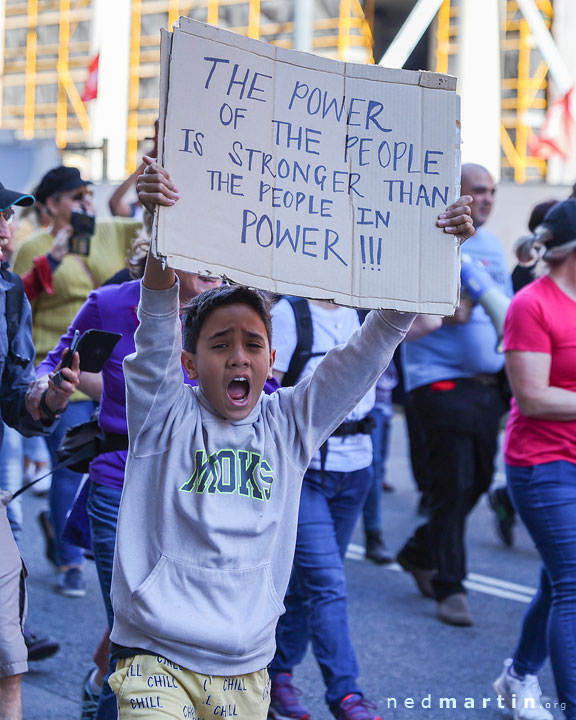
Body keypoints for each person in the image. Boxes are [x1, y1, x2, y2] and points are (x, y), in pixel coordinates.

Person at [105, 158, 473, 720]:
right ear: (188, 359)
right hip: (154, 656)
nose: (238, 356)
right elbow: (156, 316)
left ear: (272, 359)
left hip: (243, 666)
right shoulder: (163, 412)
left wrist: (432, 253)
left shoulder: (290, 423)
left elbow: (369, 348)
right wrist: (161, 231)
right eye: (220, 343)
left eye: (252, 344)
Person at [267, 305, 441, 720]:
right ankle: (346, 696)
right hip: (305, 470)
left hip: (356, 471)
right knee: (327, 583)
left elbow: (431, 321)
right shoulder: (291, 314)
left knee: (305, 586)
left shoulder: (368, 311)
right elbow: (267, 388)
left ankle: (277, 678)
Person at [12, 165, 141, 597]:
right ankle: (71, 562)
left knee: (119, 459)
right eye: (75, 195)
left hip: (111, 368)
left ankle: (74, 526)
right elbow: (16, 301)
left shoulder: (110, 232)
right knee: (72, 460)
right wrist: (55, 258)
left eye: (88, 193)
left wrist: (150, 166)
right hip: (61, 366)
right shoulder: (32, 246)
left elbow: (152, 233)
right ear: (52, 205)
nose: (85, 201)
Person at [397, 163, 512, 627]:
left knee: (481, 480)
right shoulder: (431, 241)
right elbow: (401, 315)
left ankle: (419, 550)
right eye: (477, 191)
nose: (485, 199)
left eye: (491, 192)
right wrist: (448, 312)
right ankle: (452, 586)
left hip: (486, 387)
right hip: (439, 381)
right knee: (453, 483)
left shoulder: (492, 245)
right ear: (456, 195)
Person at [492, 199, 576, 720]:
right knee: (572, 584)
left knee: (558, 579)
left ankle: (517, 677)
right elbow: (534, 397)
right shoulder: (533, 304)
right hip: (541, 464)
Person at [0, 181, 80, 720]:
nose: (7, 233)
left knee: (8, 664)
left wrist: (45, 398)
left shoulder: (9, 295)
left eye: (7, 217)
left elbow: (14, 395)